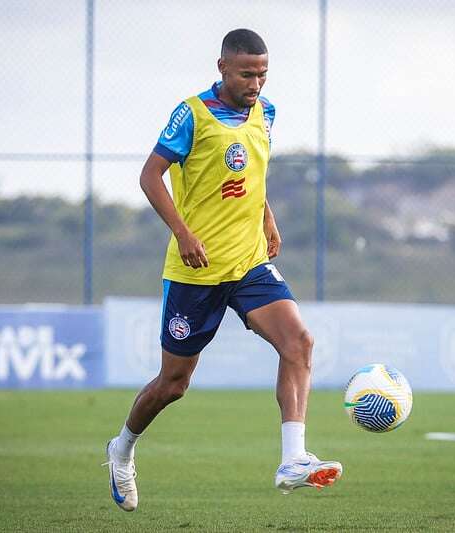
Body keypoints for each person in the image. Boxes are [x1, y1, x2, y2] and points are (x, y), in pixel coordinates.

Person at [103, 28, 342, 512]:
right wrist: (183, 233)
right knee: (174, 384)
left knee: (299, 342)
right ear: (222, 68)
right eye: (247, 73)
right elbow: (150, 176)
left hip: (249, 261)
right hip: (196, 270)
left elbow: (251, 176)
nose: (256, 83)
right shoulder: (192, 114)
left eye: (263, 73)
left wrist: (268, 219)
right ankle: (122, 447)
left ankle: (292, 460)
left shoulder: (266, 112)